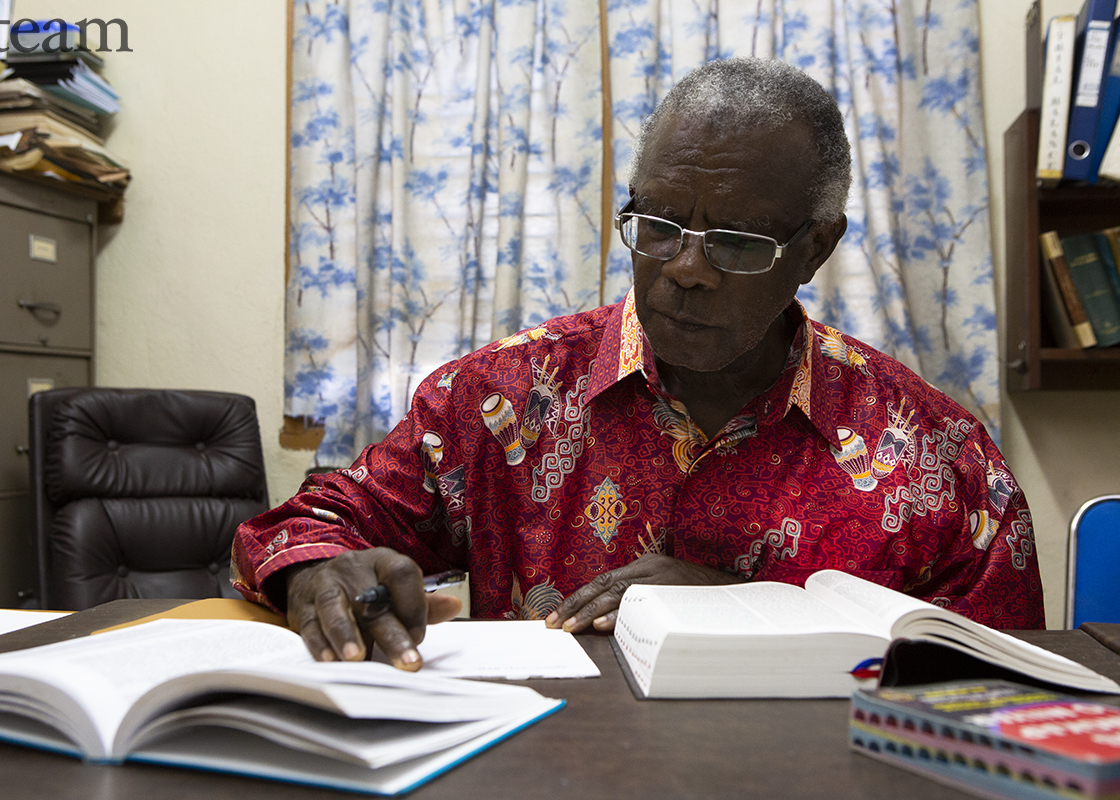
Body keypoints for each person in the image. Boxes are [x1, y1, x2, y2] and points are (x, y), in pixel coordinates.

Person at [233, 57, 1045, 670]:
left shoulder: (941, 461)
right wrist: (322, 574)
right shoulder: (496, 400)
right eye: (658, 225)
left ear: (816, 248)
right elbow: (307, 524)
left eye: (736, 242)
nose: (686, 269)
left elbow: (1002, 690)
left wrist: (761, 610)